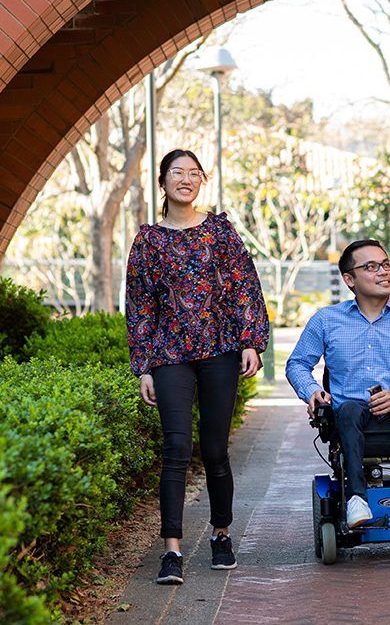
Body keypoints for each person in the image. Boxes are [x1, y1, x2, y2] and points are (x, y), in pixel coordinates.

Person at [126, 148, 269, 585]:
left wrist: (252, 341)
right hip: (170, 355)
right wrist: (144, 365)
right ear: (162, 182)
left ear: (202, 181)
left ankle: (221, 535)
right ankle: (171, 552)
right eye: (176, 173)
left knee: (214, 450)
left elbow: (244, 283)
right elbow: (139, 305)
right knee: (175, 448)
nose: (185, 179)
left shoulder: (220, 231)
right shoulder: (148, 240)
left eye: (193, 173)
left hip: (221, 350)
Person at [286, 239, 390, 529]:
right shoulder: (326, 320)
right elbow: (297, 364)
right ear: (349, 279)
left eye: (386, 264)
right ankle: (356, 498)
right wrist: (312, 392)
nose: (383, 272)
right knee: (347, 412)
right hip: (350, 411)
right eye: (371, 267)